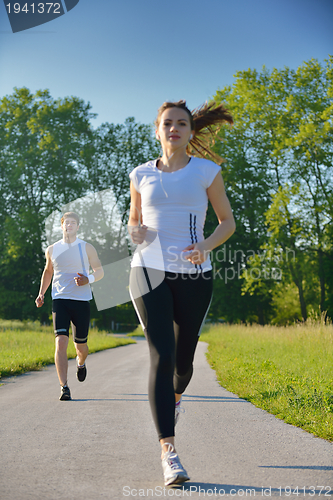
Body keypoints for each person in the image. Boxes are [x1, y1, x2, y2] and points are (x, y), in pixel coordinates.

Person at [127, 100, 235, 486]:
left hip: (193, 272)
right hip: (148, 269)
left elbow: (227, 223)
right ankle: (169, 452)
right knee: (162, 353)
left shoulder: (207, 171)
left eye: (181, 124)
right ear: (157, 130)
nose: (174, 128)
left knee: (183, 362)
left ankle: (175, 397)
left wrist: (204, 246)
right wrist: (134, 233)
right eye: (167, 123)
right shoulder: (140, 174)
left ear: (191, 131)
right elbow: (135, 222)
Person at [35, 212, 104, 401]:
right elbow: (48, 271)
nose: (70, 225)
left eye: (74, 223)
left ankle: (80, 364)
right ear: (62, 225)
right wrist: (41, 293)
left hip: (81, 301)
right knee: (60, 342)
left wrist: (87, 279)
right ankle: (64, 387)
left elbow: (100, 271)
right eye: (67, 222)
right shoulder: (52, 249)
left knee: (81, 347)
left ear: (78, 226)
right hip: (60, 300)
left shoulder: (87, 248)